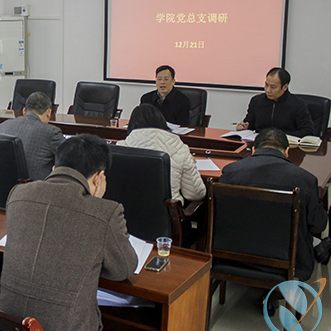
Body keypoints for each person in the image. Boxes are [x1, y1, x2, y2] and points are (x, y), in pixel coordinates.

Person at [0, 134, 138, 331]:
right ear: (99, 177)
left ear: (55, 168)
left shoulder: (18, 194)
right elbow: (124, 269)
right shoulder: (104, 212)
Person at [220, 127, 328, 281]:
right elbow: (317, 226)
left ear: (254, 150)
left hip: (233, 254)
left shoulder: (230, 172)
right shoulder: (305, 180)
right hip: (287, 260)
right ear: (287, 152)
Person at [117, 104, 205, 204]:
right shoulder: (180, 149)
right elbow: (196, 194)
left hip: (126, 211)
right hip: (168, 212)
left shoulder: (121, 147)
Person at [0, 92, 64, 180]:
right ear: (49, 113)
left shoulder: (2, 127)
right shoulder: (52, 132)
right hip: (36, 187)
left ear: (24, 111)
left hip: (5, 186)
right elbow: (69, 157)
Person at [236, 67, 314, 138]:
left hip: (285, 145)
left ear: (285, 87)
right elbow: (249, 124)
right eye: (266, 85)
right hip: (261, 144)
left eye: (273, 87)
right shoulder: (256, 101)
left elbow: (307, 131)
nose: (268, 90)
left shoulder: (298, 104)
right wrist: (243, 127)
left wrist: (279, 137)